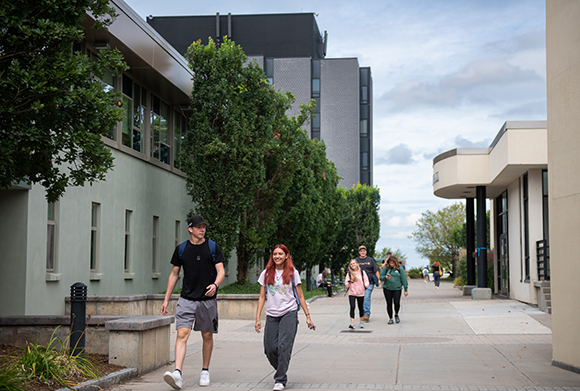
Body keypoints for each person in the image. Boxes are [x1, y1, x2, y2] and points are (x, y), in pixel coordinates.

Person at [161, 215, 226, 389]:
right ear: (190, 229)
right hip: (186, 299)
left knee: (207, 335)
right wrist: (166, 299)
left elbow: (221, 271)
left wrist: (215, 284)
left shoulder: (213, 247)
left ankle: (205, 370)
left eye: (204, 226)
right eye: (198, 227)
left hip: (207, 300)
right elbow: (174, 274)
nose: (202, 229)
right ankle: (177, 373)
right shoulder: (182, 249)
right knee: (182, 334)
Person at [255, 244, 315, 391]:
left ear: (286, 256)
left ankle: (280, 379)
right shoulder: (266, 273)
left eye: (280, 254)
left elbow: (300, 295)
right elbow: (262, 296)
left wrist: (308, 316)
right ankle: (282, 370)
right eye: (275, 254)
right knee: (269, 349)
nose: (277, 256)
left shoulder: (292, 272)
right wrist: (257, 318)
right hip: (272, 315)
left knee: (283, 347)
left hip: (289, 313)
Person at [379, 256, 408, 324]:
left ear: (395, 262)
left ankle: (396, 314)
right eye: (390, 263)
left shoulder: (399, 269)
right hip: (387, 288)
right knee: (389, 303)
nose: (391, 264)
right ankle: (390, 318)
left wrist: (406, 289)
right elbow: (381, 277)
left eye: (393, 263)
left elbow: (404, 279)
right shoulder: (386, 268)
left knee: (396, 302)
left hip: (397, 288)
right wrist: (385, 277)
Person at [355, 245, 379, 322]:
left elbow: (376, 270)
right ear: (359, 252)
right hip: (359, 283)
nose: (362, 252)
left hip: (369, 282)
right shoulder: (356, 261)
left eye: (364, 251)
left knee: (366, 297)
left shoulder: (370, 260)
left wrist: (378, 279)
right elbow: (351, 271)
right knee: (361, 299)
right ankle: (362, 313)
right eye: (361, 251)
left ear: (366, 252)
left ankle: (366, 314)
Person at [345, 259, 369, 329]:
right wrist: (348, 283)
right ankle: (352, 323)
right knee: (352, 307)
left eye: (354, 264)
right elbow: (346, 283)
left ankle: (361, 322)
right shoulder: (349, 273)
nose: (353, 265)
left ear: (357, 264)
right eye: (351, 264)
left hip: (360, 292)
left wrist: (366, 284)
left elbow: (366, 280)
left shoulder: (362, 272)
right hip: (352, 292)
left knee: (360, 307)